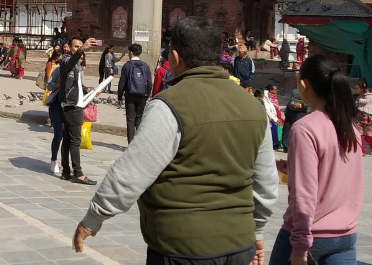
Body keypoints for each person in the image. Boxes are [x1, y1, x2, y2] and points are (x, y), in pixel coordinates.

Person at [73, 16, 278, 265]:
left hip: (181, 247)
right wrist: (256, 231)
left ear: (175, 58)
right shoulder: (253, 107)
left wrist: (93, 218)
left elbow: (130, 174)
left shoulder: (169, 105)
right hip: (240, 245)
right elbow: (266, 183)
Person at [269, 55, 364, 265]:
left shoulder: (305, 128)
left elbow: (304, 196)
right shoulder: (349, 126)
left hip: (311, 235)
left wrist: (300, 246)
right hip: (346, 235)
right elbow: (339, 176)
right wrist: (294, 170)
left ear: (303, 85)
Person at [59, 36, 98, 185]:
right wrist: (81, 50)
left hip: (76, 103)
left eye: (80, 47)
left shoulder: (77, 66)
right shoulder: (65, 60)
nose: (79, 50)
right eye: (76, 47)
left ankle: (66, 171)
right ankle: (78, 173)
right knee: (76, 140)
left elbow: (77, 85)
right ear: (69, 47)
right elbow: (68, 65)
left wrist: (89, 90)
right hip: (71, 105)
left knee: (68, 139)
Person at [117, 44, 152, 143]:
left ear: (131, 52)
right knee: (139, 118)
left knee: (130, 119)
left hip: (130, 95)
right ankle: (139, 142)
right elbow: (149, 83)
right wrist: (147, 94)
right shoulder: (145, 66)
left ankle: (131, 143)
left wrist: (119, 96)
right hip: (142, 95)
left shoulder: (127, 65)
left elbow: (122, 83)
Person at [43, 51, 64, 175]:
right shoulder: (58, 69)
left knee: (68, 137)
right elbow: (49, 85)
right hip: (57, 105)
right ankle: (54, 160)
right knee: (58, 135)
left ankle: (65, 163)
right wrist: (58, 84)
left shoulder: (78, 71)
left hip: (70, 107)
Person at [281, 87, 309, 153]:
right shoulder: (294, 88)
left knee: (297, 130)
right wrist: (287, 109)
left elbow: (310, 102)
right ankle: (286, 146)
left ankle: (297, 147)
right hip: (290, 111)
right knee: (286, 129)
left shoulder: (308, 89)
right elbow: (290, 99)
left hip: (300, 112)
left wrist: (300, 105)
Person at [354, 79, 372, 155]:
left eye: (357, 88)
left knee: (368, 135)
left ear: (362, 89)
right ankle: (362, 151)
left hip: (367, 119)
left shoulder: (368, 97)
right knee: (359, 134)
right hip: (358, 118)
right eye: (354, 88)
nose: (355, 90)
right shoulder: (355, 97)